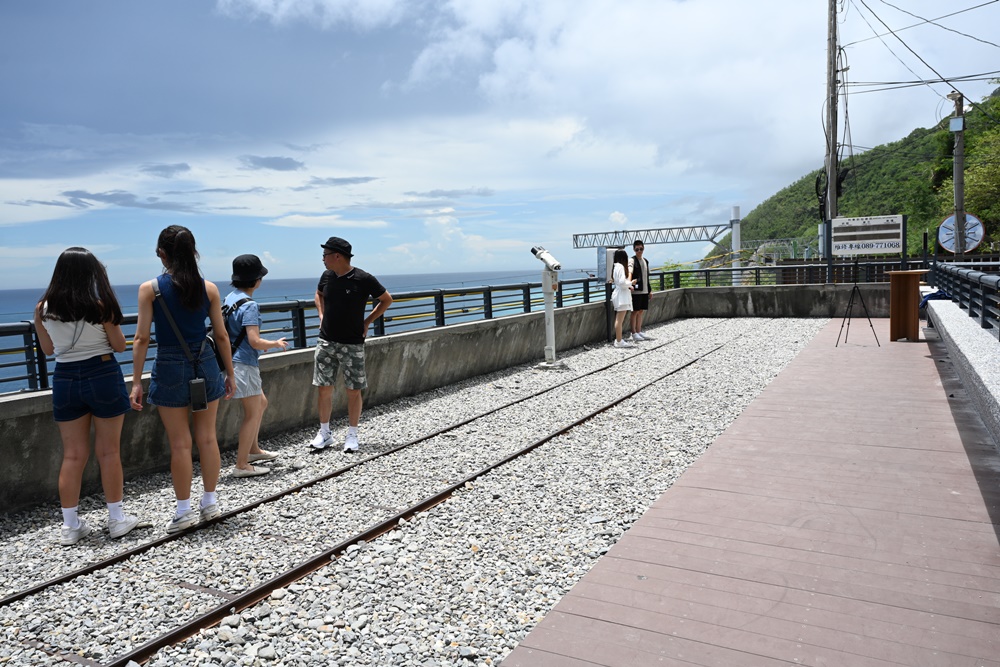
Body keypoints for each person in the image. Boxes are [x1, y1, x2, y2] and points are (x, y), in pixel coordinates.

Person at [130, 225, 236, 533]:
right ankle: (211, 503)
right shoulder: (210, 289)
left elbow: (140, 338)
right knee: (207, 437)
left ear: (162, 254)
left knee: (180, 443)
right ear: (193, 253)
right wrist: (229, 373)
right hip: (205, 362)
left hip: (170, 363)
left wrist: (136, 381)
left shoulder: (151, 289)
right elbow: (221, 335)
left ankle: (183, 510)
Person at [34, 248, 141, 545]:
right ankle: (117, 519)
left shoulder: (43, 308)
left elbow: (47, 350)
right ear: (89, 273)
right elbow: (119, 346)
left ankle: (70, 526)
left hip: (65, 378)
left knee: (72, 455)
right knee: (108, 452)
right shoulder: (99, 305)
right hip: (102, 374)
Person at [310, 236, 393, 453]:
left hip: (352, 343)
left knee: (353, 390)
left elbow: (386, 299)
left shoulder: (363, 278)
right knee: (323, 388)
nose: (323, 259)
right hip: (326, 341)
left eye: (325, 255)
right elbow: (319, 295)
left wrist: (367, 322)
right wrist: (321, 315)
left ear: (337, 256)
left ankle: (352, 434)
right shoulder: (327, 276)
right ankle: (325, 432)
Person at [223, 254, 289, 478]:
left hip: (232, 359)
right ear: (256, 280)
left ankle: (253, 450)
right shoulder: (250, 305)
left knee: (261, 402)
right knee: (252, 413)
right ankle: (242, 465)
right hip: (244, 363)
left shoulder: (230, 298)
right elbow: (254, 340)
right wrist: (275, 343)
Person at [610, 248, 635, 348]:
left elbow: (619, 282)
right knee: (619, 319)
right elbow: (621, 282)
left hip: (619, 293)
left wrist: (629, 285)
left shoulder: (615, 266)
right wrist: (631, 283)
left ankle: (619, 340)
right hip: (622, 295)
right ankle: (619, 341)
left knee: (619, 319)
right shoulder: (620, 266)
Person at [628, 239, 652, 341]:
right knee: (635, 311)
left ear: (643, 248)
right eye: (637, 249)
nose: (639, 251)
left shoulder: (645, 261)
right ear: (634, 249)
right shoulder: (632, 260)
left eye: (641, 249)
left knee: (641, 311)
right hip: (636, 290)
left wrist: (650, 290)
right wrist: (629, 284)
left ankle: (639, 331)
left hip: (645, 290)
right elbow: (630, 272)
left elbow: (647, 277)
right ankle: (633, 333)